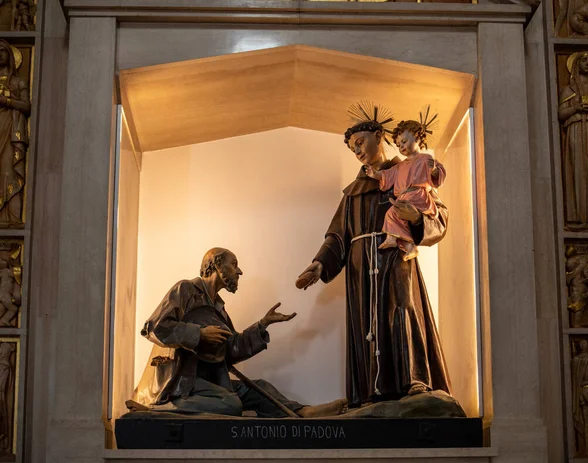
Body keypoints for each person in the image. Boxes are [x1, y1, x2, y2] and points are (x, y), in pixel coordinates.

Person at [296, 104, 451, 409]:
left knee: (402, 310)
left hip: (396, 259)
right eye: (352, 147)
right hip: (361, 268)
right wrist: (319, 264)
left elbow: (439, 218)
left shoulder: (410, 172)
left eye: (360, 143)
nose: (357, 151)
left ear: (379, 137)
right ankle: (372, 393)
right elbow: (337, 235)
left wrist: (417, 220)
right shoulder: (353, 192)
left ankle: (414, 382)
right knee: (366, 324)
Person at [131, 247, 345, 418]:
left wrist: (262, 325)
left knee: (260, 388)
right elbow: (154, 327)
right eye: (234, 265)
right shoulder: (185, 290)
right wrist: (199, 334)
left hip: (207, 383)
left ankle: (301, 413)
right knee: (230, 404)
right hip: (179, 381)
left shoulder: (219, 310)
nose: (239, 271)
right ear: (216, 264)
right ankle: (161, 409)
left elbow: (231, 349)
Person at [365, 118, 446, 258]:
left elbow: (439, 174)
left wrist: (434, 170)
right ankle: (401, 243)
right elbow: (387, 175)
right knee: (391, 214)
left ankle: (404, 243)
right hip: (404, 196)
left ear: (417, 138)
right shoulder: (400, 166)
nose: (401, 147)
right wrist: (375, 174)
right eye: (398, 145)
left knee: (399, 213)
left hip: (417, 195)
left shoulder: (425, 159)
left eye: (404, 142)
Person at [558, 51, 588, 228]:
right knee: (579, 171)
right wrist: (575, 107)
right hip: (576, 131)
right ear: (576, 65)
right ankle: (579, 218)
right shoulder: (569, 90)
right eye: (584, 60)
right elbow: (561, 113)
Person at [0, 40, 28, 227]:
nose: (0, 54)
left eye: (3, 51)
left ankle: (13, 217)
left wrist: (7, 101)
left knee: (8, 170)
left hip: (9, 128)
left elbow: (26, 105)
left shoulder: (18, 82)